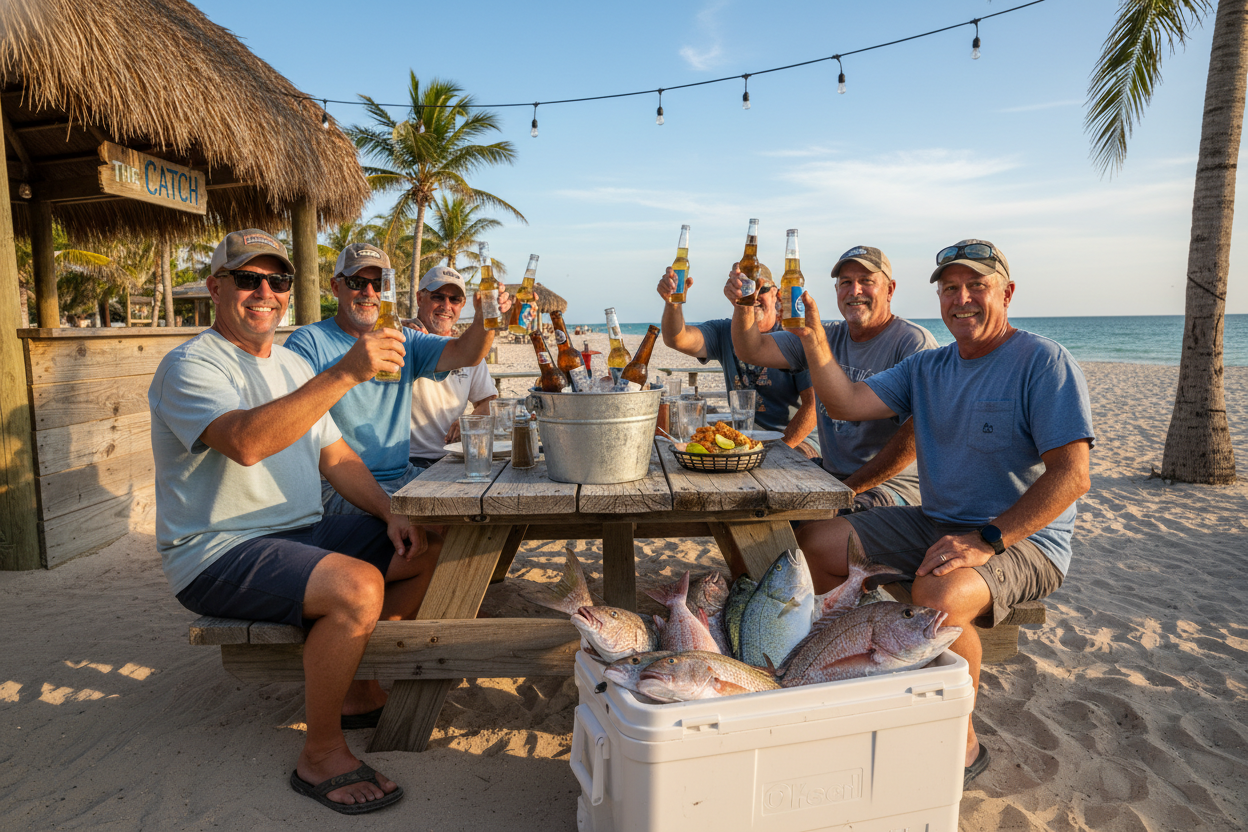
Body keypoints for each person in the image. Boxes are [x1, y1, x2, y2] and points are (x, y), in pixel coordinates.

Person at [149, 230, 443, 813]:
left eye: (277, 281)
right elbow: (246, 442)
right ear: (215, 287)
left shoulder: (286, 364)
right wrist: (346, 373)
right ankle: (321, 752)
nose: (265, 292)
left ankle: (356, 684)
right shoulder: (190, 364)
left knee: (429, 544)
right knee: (356, 587)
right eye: (247, 279)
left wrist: (390, 512)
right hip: (217, 548)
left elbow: (334, 456)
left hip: (301, 533)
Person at [787, 239, 1094, 787]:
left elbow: (1072, 476)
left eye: (977, 286)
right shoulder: (927, 367)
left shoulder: (1042, 361)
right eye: (950, 288)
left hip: (1024, 540)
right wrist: (813, 340)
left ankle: (963, 738)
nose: (963, 299)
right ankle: (862, 672)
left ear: (1007, 292)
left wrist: (988, 539)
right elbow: (845, 404)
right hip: (935, 522)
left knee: (938, 597)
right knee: (815, 545)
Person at [284, 244, 510, 511]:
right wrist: (348, 370)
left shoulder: (406, 339)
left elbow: (466, 353)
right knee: (424, 536)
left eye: (379, 284)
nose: (369, 292)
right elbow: (289, 420)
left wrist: (484, 318)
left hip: (404, 476)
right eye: (357, 282)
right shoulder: (308, 342)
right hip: (335, 485)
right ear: (335, 287)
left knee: (475, 513)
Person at [730, 245, 938, 510]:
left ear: (890, 289)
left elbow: (916, 437)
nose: (855, 291)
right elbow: (751, 349)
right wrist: (743, 302)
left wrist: (848, 489)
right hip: (830, 474)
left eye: (866, 281)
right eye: (846, 283)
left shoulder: (912, 341)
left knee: (820, 534)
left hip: (890, 486)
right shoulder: (823, 335)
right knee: (752, 507)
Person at [657, 265, 817, 452]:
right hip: (747, 438)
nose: (754, 296)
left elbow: (813, 407)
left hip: (798, 437)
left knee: (797, 463)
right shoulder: (725, 332)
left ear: (776, 294)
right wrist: (673, 302)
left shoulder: (793, 337)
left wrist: (782, 450)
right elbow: (678, 338)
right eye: (746, 289)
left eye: (761, 289)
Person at [402, 265, 498, 468]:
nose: (446, 306)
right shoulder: (401, 339)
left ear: (463, 305)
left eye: (454, 300)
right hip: (405, 460)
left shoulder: (470, 353)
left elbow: (487, 402)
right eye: (438, 296)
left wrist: (468, 422)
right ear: (420, 298)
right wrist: (399, 324)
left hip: (454, 458)